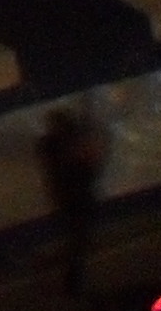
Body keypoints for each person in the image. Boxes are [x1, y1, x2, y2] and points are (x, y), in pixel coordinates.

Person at [40, 102, 110, 294]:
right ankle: (74, 280)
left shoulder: (53, 146)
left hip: (70, 197)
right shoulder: (64, 147)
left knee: (78, 238)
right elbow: (90, 169)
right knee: (79, 239)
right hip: (77, 198)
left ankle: (74, 277)